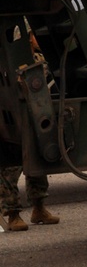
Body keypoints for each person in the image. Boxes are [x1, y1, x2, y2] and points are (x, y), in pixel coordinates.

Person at [0, 27, 59, 232]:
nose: (33, 39)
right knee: (11, 166)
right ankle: (12, 213)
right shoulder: (9, 54)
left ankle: (39, 208)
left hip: (35, 114)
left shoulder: (37, 55)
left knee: (38, 161)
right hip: (12, 117)